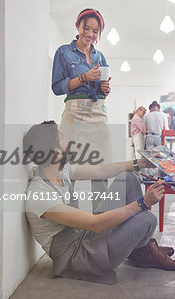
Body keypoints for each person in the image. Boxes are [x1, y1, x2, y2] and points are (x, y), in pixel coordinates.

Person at [23, 121, 175, 285]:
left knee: (128, 178)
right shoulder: (40, 194)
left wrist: (141, 163)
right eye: (62, 138)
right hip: (80, 256)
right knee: (147, 219)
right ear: (56, 153)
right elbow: (96, 225)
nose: (67, 140)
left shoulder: (59, 169)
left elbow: (99, 171)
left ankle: (141, 251)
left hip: (85, 236)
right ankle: (143, 249)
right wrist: (142, 203)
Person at [51, 8, 111, 205]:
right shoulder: (63, 52)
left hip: (97, 111)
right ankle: (70, 216)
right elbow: (58, 88)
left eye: (95, 31)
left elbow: (101, 90)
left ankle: (100, 218)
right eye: (87, 28)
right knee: (68, 165)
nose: (90, 34)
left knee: (100, 167)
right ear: (78, 26)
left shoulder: (100, 57)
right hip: (74, 113)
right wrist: (84, 77)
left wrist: (104, 88)